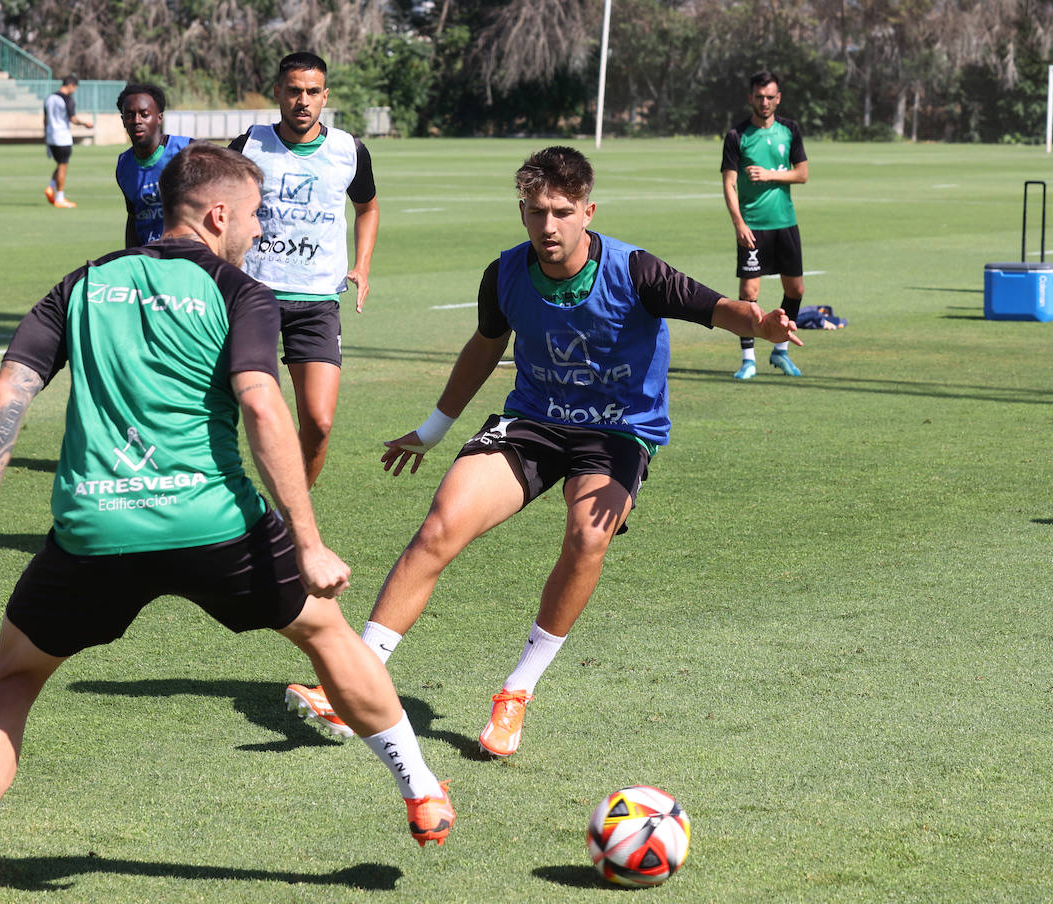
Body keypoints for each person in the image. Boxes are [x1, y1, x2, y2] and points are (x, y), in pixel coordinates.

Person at [0, 144, 452, 904]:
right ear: (217, 214)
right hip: (214, 525)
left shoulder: (82, 283)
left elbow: (7, 392)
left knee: (14, 677)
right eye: (256, 213)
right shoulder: (242, 291)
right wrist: (307, 540)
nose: (262, 228)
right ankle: (422, 788)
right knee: (327, 632)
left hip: (94, 531)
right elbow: (264, 405)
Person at [285, 146, 800, 758]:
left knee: (587, 539)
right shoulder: (503, 273)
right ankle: (356, 681)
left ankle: (517, 692)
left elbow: (713, 307)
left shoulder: (635, 271)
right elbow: (484, 348)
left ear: (588, 210)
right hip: (532, 422)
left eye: (560, 212)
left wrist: (759, 326)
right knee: (440, 526)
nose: (547, 227)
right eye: (534, 212)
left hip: (616, 431)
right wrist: (433, 428)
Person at [228, 51, 379, 487]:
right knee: (243, 411)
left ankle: (291, 514)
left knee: (319, 422)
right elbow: (216, 206)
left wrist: (363, 266)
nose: (302, 101)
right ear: (277, 92)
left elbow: (367, 209)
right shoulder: (248, 146)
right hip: (252, 298)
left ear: (325, 96)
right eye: (293, 90)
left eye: (313, 92)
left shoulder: (349, 151)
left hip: (316, 302)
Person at [721, 69, 809, 380]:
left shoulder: (790, 130)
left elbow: (802, 174)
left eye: (770, 96)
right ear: (751, 98)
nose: (765, 102)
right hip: (753, 225)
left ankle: (781, 351)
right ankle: (748, 360)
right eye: (759, 96)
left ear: (778, 98)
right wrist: (738, 223)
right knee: (749, 291)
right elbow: (729, 184)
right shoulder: (737, 135)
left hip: (785, 222)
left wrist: (770, 174)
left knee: (795, 289)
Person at [115, 83, 193, 246]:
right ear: (123, 121)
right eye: (129, 115)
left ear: (159, 117)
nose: (137, 121)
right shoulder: (124, 165)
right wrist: (132, 257)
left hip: (188, 257)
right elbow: (134, 216)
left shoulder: (188, 150)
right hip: (150, 257)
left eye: (144, 114)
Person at [42, 75, 94, 209]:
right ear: (70, 85)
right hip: (62, 137)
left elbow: (45, 119)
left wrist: (46, 136)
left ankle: (51, 187)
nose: (74, 90)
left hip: (51, 136)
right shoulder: (68, 100)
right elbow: (73, 119)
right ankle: (59, 198)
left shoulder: (49, 98)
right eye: (75, 87)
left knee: (60, 164)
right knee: (63, 166)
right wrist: (85, 123)